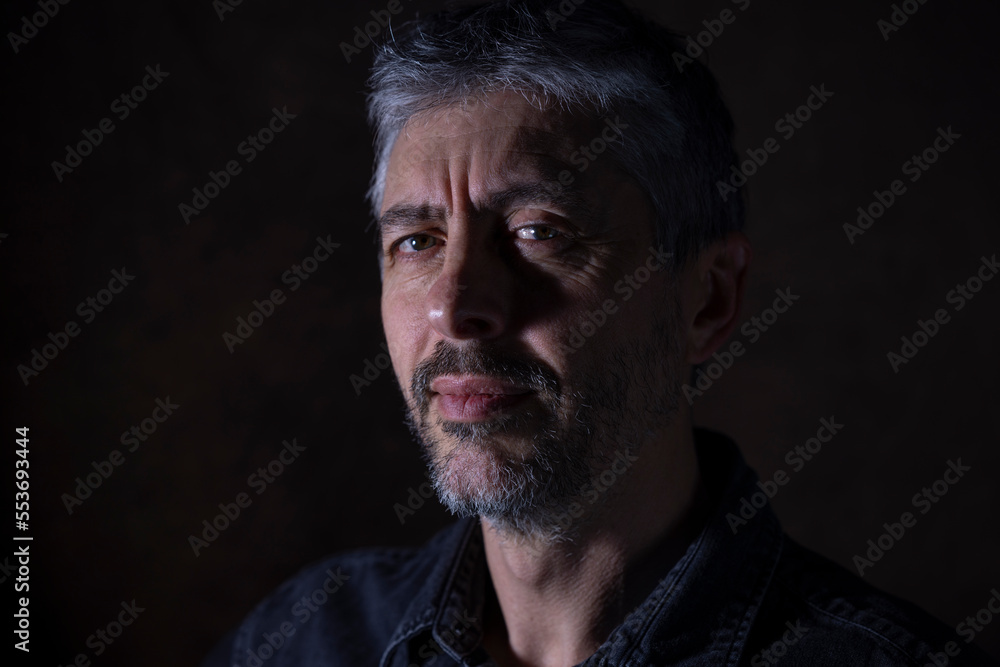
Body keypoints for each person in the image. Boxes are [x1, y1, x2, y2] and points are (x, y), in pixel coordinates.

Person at [204, 1, 992, 664]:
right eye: (417, 241)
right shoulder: (305, 639)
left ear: (708, 301)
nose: (454, 308)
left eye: (539, 231)